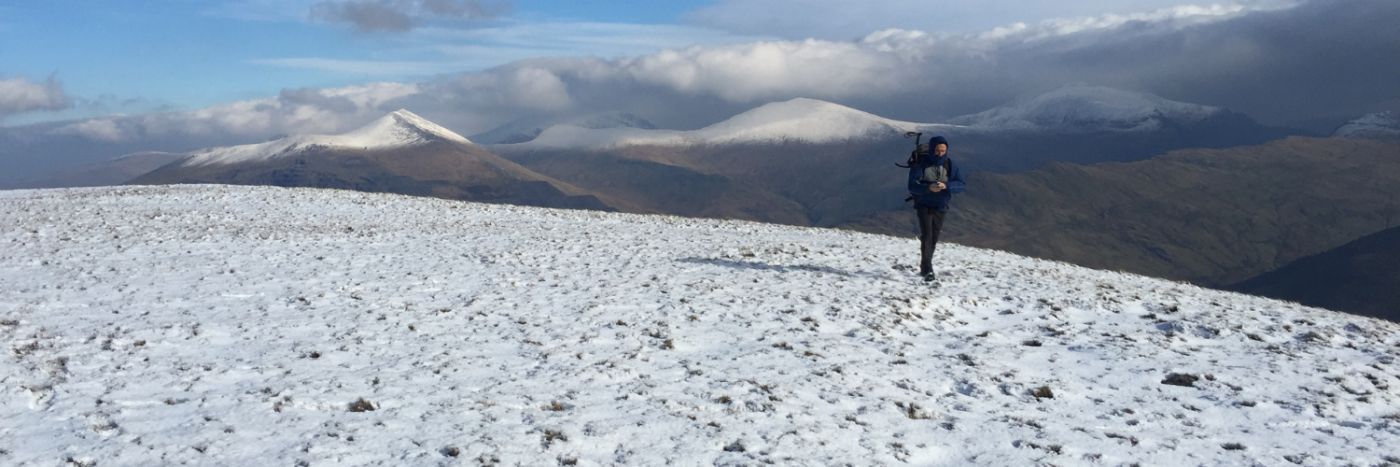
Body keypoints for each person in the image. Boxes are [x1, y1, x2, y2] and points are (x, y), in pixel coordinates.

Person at [906, 135, 965, 281]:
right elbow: (912, 186)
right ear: (932, 149)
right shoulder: (921, 164)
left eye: (943, 150)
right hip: (924, 204)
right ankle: (927, 269)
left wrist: (947, 186)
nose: (940, 153)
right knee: (927, 235)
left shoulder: (950, 164)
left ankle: (925, 264)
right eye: (938, 150)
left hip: (941, 205)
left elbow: (961, 184)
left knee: (934, 237)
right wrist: (928, 188)